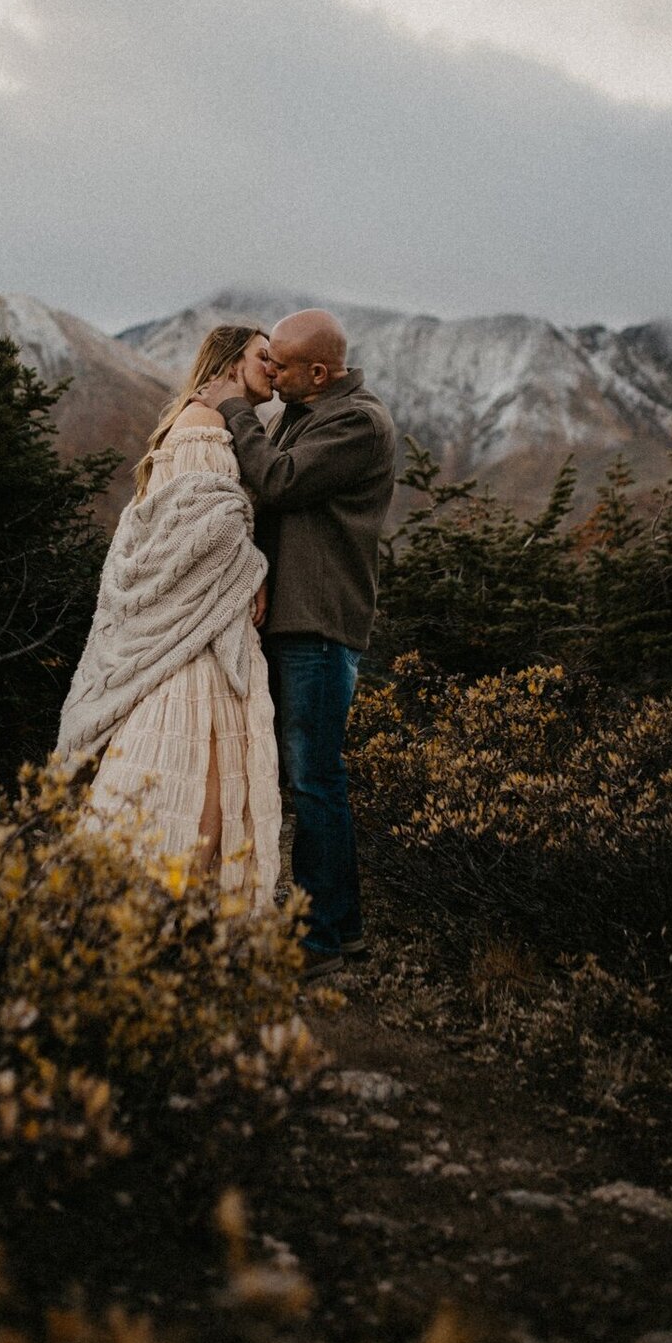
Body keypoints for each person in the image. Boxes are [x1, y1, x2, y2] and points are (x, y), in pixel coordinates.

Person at [197, 309, 397, 979]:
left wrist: (233, 410)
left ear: (319, 371)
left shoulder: (355, 422)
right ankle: (342, 931)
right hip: (295, 618)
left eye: (281, 364)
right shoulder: (311, 411)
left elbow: (279, 480)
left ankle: (319, 943)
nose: (271, 371)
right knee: (310, 779)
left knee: (315, 780)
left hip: (317, 622)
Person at [54, 326, 281, 908]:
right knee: (199, 774)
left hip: (203, 621)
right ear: (231, 361)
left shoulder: (197, 420)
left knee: (171, 765)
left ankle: (132, 909)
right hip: (199, 633)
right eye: (264, 358)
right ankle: (171, 916)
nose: (275, 369)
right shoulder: (206, 425)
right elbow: (201, 530)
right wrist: (253, 569)